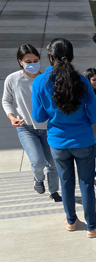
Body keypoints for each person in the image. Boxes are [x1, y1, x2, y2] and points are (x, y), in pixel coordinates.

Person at [32, 38, 96, 237]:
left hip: (57, 142)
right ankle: (92, 226)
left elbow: (38, 117)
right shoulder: (83, 81)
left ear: (50, 57)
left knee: (66, 182)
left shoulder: (39, 81)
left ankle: (71, 221)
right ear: (71, 57)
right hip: (83, 141)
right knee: (86, 183)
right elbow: (95, 117)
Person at [2, 44, 61, 202]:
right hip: (26, 128)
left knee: (53, 163)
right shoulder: (13, 79)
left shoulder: (46, 79)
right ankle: (38, 178)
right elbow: (6, 100)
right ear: (20, 61)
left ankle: (54, 191)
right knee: (37, 161)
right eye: (28, 61)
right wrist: (11, 117)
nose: (33, 64)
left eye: (35, 60)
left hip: (48, 128)